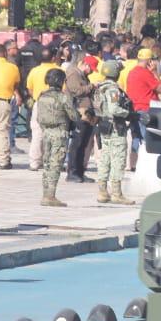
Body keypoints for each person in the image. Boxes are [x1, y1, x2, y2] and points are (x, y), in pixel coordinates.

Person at [34, 68, 78, 207]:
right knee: (55, 164)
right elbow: (74, 116)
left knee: (47, 163)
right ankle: (50, 196)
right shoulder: (63, 97)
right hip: (59, 133)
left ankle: (45, 194)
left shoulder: (42, 96)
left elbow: (38, 117)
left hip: (46, 132)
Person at [93, 61, 135, 205]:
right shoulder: (113, 90)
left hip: (104, 126)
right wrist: (129, 114)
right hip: (116, 127)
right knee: (118, 159)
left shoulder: (100, 88)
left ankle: (102, 191)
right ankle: (117, 193)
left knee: (105, 158)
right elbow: (114, 109)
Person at [125, 46, 161, 166]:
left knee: (136, 137)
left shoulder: (132, 72)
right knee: (148, 139)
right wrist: (155, 72)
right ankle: (146, 165)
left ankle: (133, 164)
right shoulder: (146, 73)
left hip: (134, 109)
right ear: (149, 61)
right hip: (146, 109)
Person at [63, 48, 95, 182]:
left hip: (85, 113)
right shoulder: (73, 73)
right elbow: (76, 91)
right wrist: (91, 87)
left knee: (83, 144)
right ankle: (72, 172)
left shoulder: (82, 75)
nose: (91, 71)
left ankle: (80, 172)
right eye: (90, 68)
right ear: (83, 63)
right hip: (78, 112)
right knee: (77, 143)